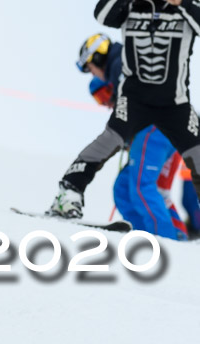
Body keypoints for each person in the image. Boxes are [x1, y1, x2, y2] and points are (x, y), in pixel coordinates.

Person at [48, 0, 200, 224]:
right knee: (107, 141)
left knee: (196, 154)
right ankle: (68, 194)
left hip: (175, 103)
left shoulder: (186, 7)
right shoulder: (129, 6)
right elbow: (101, 14)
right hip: (134, 101)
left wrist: (183, 1)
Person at [77, 33, 189, 239]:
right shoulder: (121, 64)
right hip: (155, 131)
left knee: (141, 186)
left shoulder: (122, 62)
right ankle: (153, 233)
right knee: (123, 188)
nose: (93, 74)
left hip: (155, 127)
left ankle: (165, 241)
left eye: (90, 68)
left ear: (98, 56)